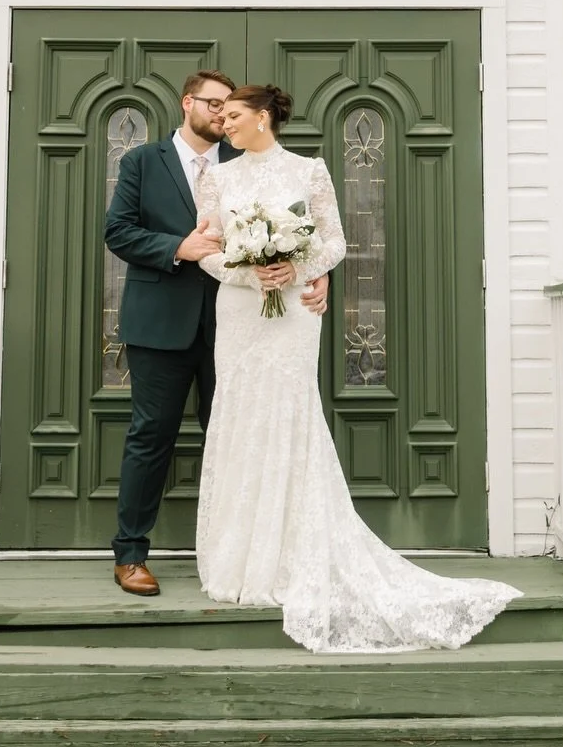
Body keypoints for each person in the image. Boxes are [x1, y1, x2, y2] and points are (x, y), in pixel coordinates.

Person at [194, 83, 521, 653]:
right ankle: (239, 558)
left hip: (295, 312)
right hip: (242, 311)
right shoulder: (216, 178)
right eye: (222, 116)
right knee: (242, 413)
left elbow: (335, 242)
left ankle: (290, 554)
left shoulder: (310, 171)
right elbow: (207, 247)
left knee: (290, 411)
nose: (225, 123)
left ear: (264, 119)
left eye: (236, 116)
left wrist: (294, 270)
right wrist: (250, 273)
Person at [103, 70, 329, 596]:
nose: (223, 116)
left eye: (231, 109)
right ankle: (130, 553)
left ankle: (240, 553)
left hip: (244, 324)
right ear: (189, 104)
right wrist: (177, 249)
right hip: (161, 322)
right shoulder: (142, 161)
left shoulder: (246, 163)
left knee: (235, 435)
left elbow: (302, 233)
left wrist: (314, 277)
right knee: (151, 436)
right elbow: (118, 231)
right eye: (214, 106)